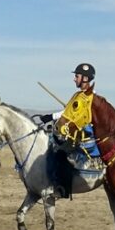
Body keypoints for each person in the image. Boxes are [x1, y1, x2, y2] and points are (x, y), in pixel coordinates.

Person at [40, 63, 97, 198]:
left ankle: (62, 189)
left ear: (85, 78)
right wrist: (50, 116)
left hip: (84, 135)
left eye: (76, 76)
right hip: (75, 134)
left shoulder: (90, 97)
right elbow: (67, 113)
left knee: (61, 154)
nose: (74, 79)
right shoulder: (78, 95)